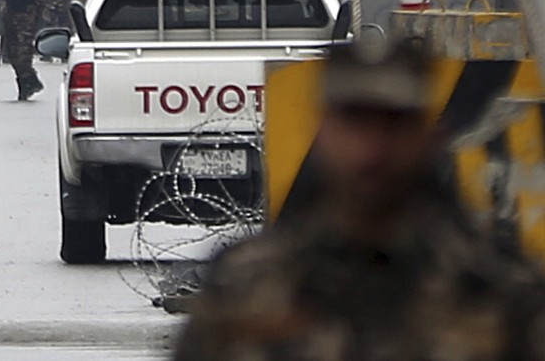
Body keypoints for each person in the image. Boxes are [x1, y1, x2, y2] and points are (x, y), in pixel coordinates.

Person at [174, 37, 545, 360]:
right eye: (355, 122)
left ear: (428, 135)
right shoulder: (245, 288)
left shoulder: (497, 295)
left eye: (393, 123)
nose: (373, 149)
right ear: (321, 130)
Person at [3, 0, 46, 100]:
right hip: (11, 15)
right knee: (11, 53)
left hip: (27, 17)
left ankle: (27, 84)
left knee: (23, 53)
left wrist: (33, 14)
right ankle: (28, 82)